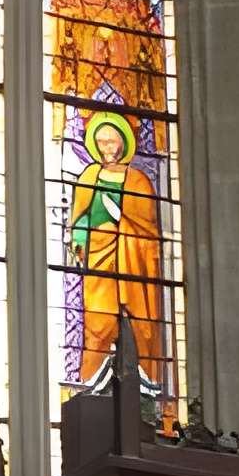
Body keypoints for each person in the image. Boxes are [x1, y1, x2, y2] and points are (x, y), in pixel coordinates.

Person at [67, 107, 166, 389]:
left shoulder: (138, 181)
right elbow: (79, 218)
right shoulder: (89, 176)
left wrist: (122, 221)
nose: (106, 148)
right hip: (98, 260)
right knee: (98, 322)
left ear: (123, 143)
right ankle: (91, 383)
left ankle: (146, 385)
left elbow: (148, 230)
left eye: (111, 142)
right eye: (101, 143)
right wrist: (80, 238)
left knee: (137, 324)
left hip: (131, 261)